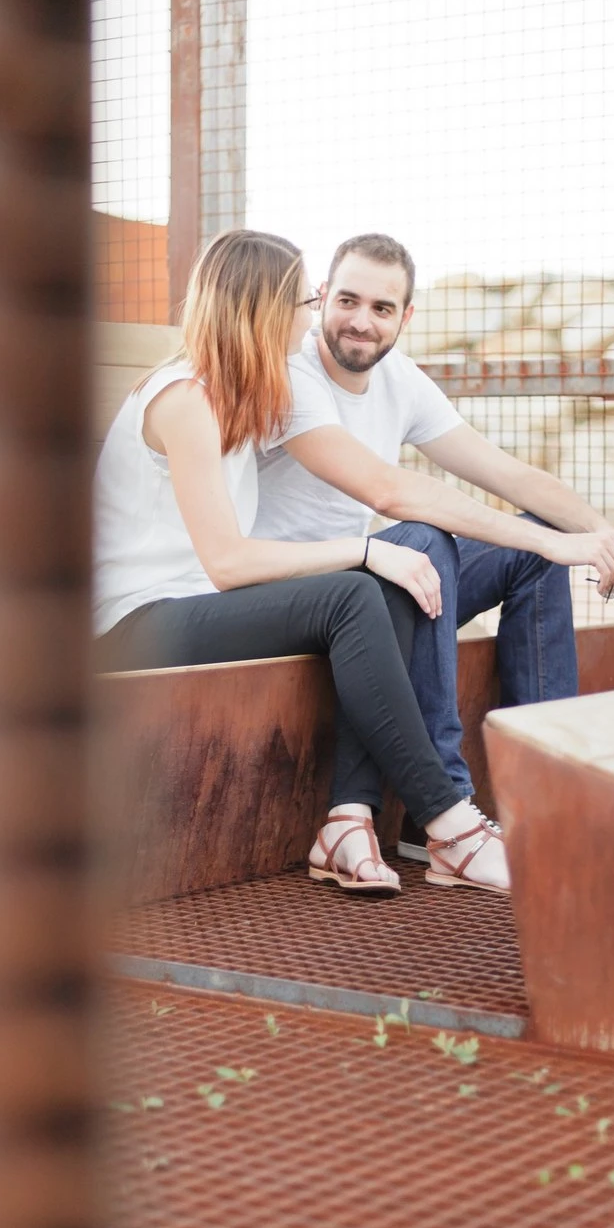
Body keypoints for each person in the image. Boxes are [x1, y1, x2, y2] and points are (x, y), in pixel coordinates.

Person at [93, 228, 509, 895]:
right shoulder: (184, 398)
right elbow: (227, 562)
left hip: (191, 606)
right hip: (133, 625)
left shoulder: (232, 392)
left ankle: (349, 818)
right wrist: (365, 549)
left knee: (378, 588)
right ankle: (449, 823)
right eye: (306, 302)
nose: (313, 317)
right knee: (355, 589)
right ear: (266, 310)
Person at [253, 232, 614, 866]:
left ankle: (546, 800)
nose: (361, 321)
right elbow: (390, 494)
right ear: (322, 296)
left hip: (380, 587)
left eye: (382, 308)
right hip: (305, 596)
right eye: (348, 300)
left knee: (528, 552)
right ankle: (440, 809)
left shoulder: (398, 379)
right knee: (425, 538)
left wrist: (601, 534)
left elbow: (506, 473)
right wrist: (557, 540)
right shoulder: (291, 373)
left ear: (405, 316)